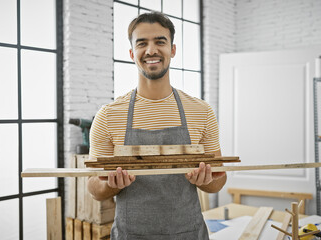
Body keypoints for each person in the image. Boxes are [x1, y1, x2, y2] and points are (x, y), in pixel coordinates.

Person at [87, 11, 226, 239]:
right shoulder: (108, 116)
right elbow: (94, 188)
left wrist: (207, 180)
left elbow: (220, 179)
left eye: (160, 42)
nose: (151, 50)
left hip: (188, 234)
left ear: (172, 49)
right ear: (132, 53)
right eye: (142, 43)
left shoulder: (202, 112)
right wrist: (112, 185)